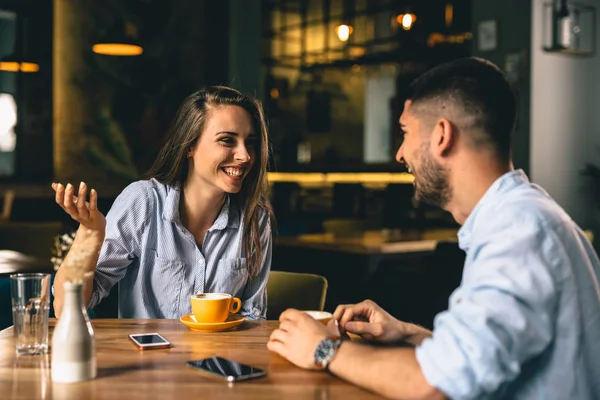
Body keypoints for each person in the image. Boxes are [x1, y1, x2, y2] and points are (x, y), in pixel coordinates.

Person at [267, 57, 600, 400]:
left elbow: (437, 386)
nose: (399, 154)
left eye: (406, 133)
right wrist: (408, 334)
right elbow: (480, 360)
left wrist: (323, 350)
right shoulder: (524, 216)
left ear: (442, 135)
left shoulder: (518, 232)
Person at [52, 86, 274, 320]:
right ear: (190, 145)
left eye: (250, 142)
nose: (245, 155)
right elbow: (67, 309)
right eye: (227, 140)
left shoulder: (255, 217)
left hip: (221, 357)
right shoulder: (143, 202)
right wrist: (90, 233)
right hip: (149, 356)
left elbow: (253, 317)